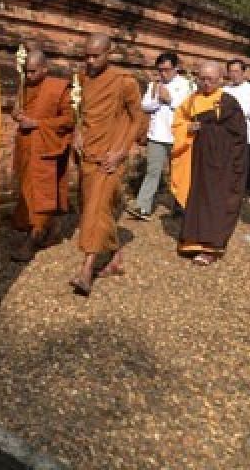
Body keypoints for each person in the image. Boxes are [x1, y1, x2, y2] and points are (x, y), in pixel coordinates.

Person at [69, 34, 147, 294]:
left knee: (96, 209)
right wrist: (77, 132)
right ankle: (115, 257)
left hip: (111, 157)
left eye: (96, 56)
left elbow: (137, 119)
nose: (90, 61)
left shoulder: (125, 83)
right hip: (88, 154)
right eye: (87, 56)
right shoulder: (82, 78)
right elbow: (80, 112)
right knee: (94, 208)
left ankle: (86, 270)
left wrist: (122, 151)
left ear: (108, 53)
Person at [170, 61, 248, 265]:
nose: (205, 83)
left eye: (210, 80)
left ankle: (211, 246)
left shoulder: (227, 102)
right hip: (196, 158)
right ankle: (192, 241)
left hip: (220, 162)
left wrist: (207, 130)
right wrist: (189, 128)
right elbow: (179, 121)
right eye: (201, 79)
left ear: (220, 80)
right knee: (195, 199)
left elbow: (238, 135)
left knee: (215, 201)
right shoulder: (191, 100)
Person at [10, 49, 74, 262]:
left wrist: (37, 123)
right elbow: (20, 108)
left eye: (33, 72)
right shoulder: (24, 85)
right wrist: (17, 114)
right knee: (27, 191)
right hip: (27, 147)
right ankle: (51, 229)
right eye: (26, 71)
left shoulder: (58, 88)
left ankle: (34, 237)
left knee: (42, 193)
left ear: (45, 69)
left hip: (46, 148)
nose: (29, 76)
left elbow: (68, 120)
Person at [129, 51, 190, 221]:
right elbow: (145, 105)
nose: (163, 73)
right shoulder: (154, 85)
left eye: (167, 69)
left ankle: (180, 206)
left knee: (178, 174)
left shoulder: (186, 85)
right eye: (160, 70)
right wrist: (158, 99)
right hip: (157, 135)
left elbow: (187, 108)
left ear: (176, 68)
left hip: (177, 135)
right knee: (152, 171)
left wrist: (170, 100)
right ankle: (143, 207)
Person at [224, 59, 250, 200]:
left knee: (249, 165)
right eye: (231, 71)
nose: (234, 75)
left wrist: (246, 113)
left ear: (244, 72)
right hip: (229, 134)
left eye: (237, 71)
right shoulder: (225, 90)